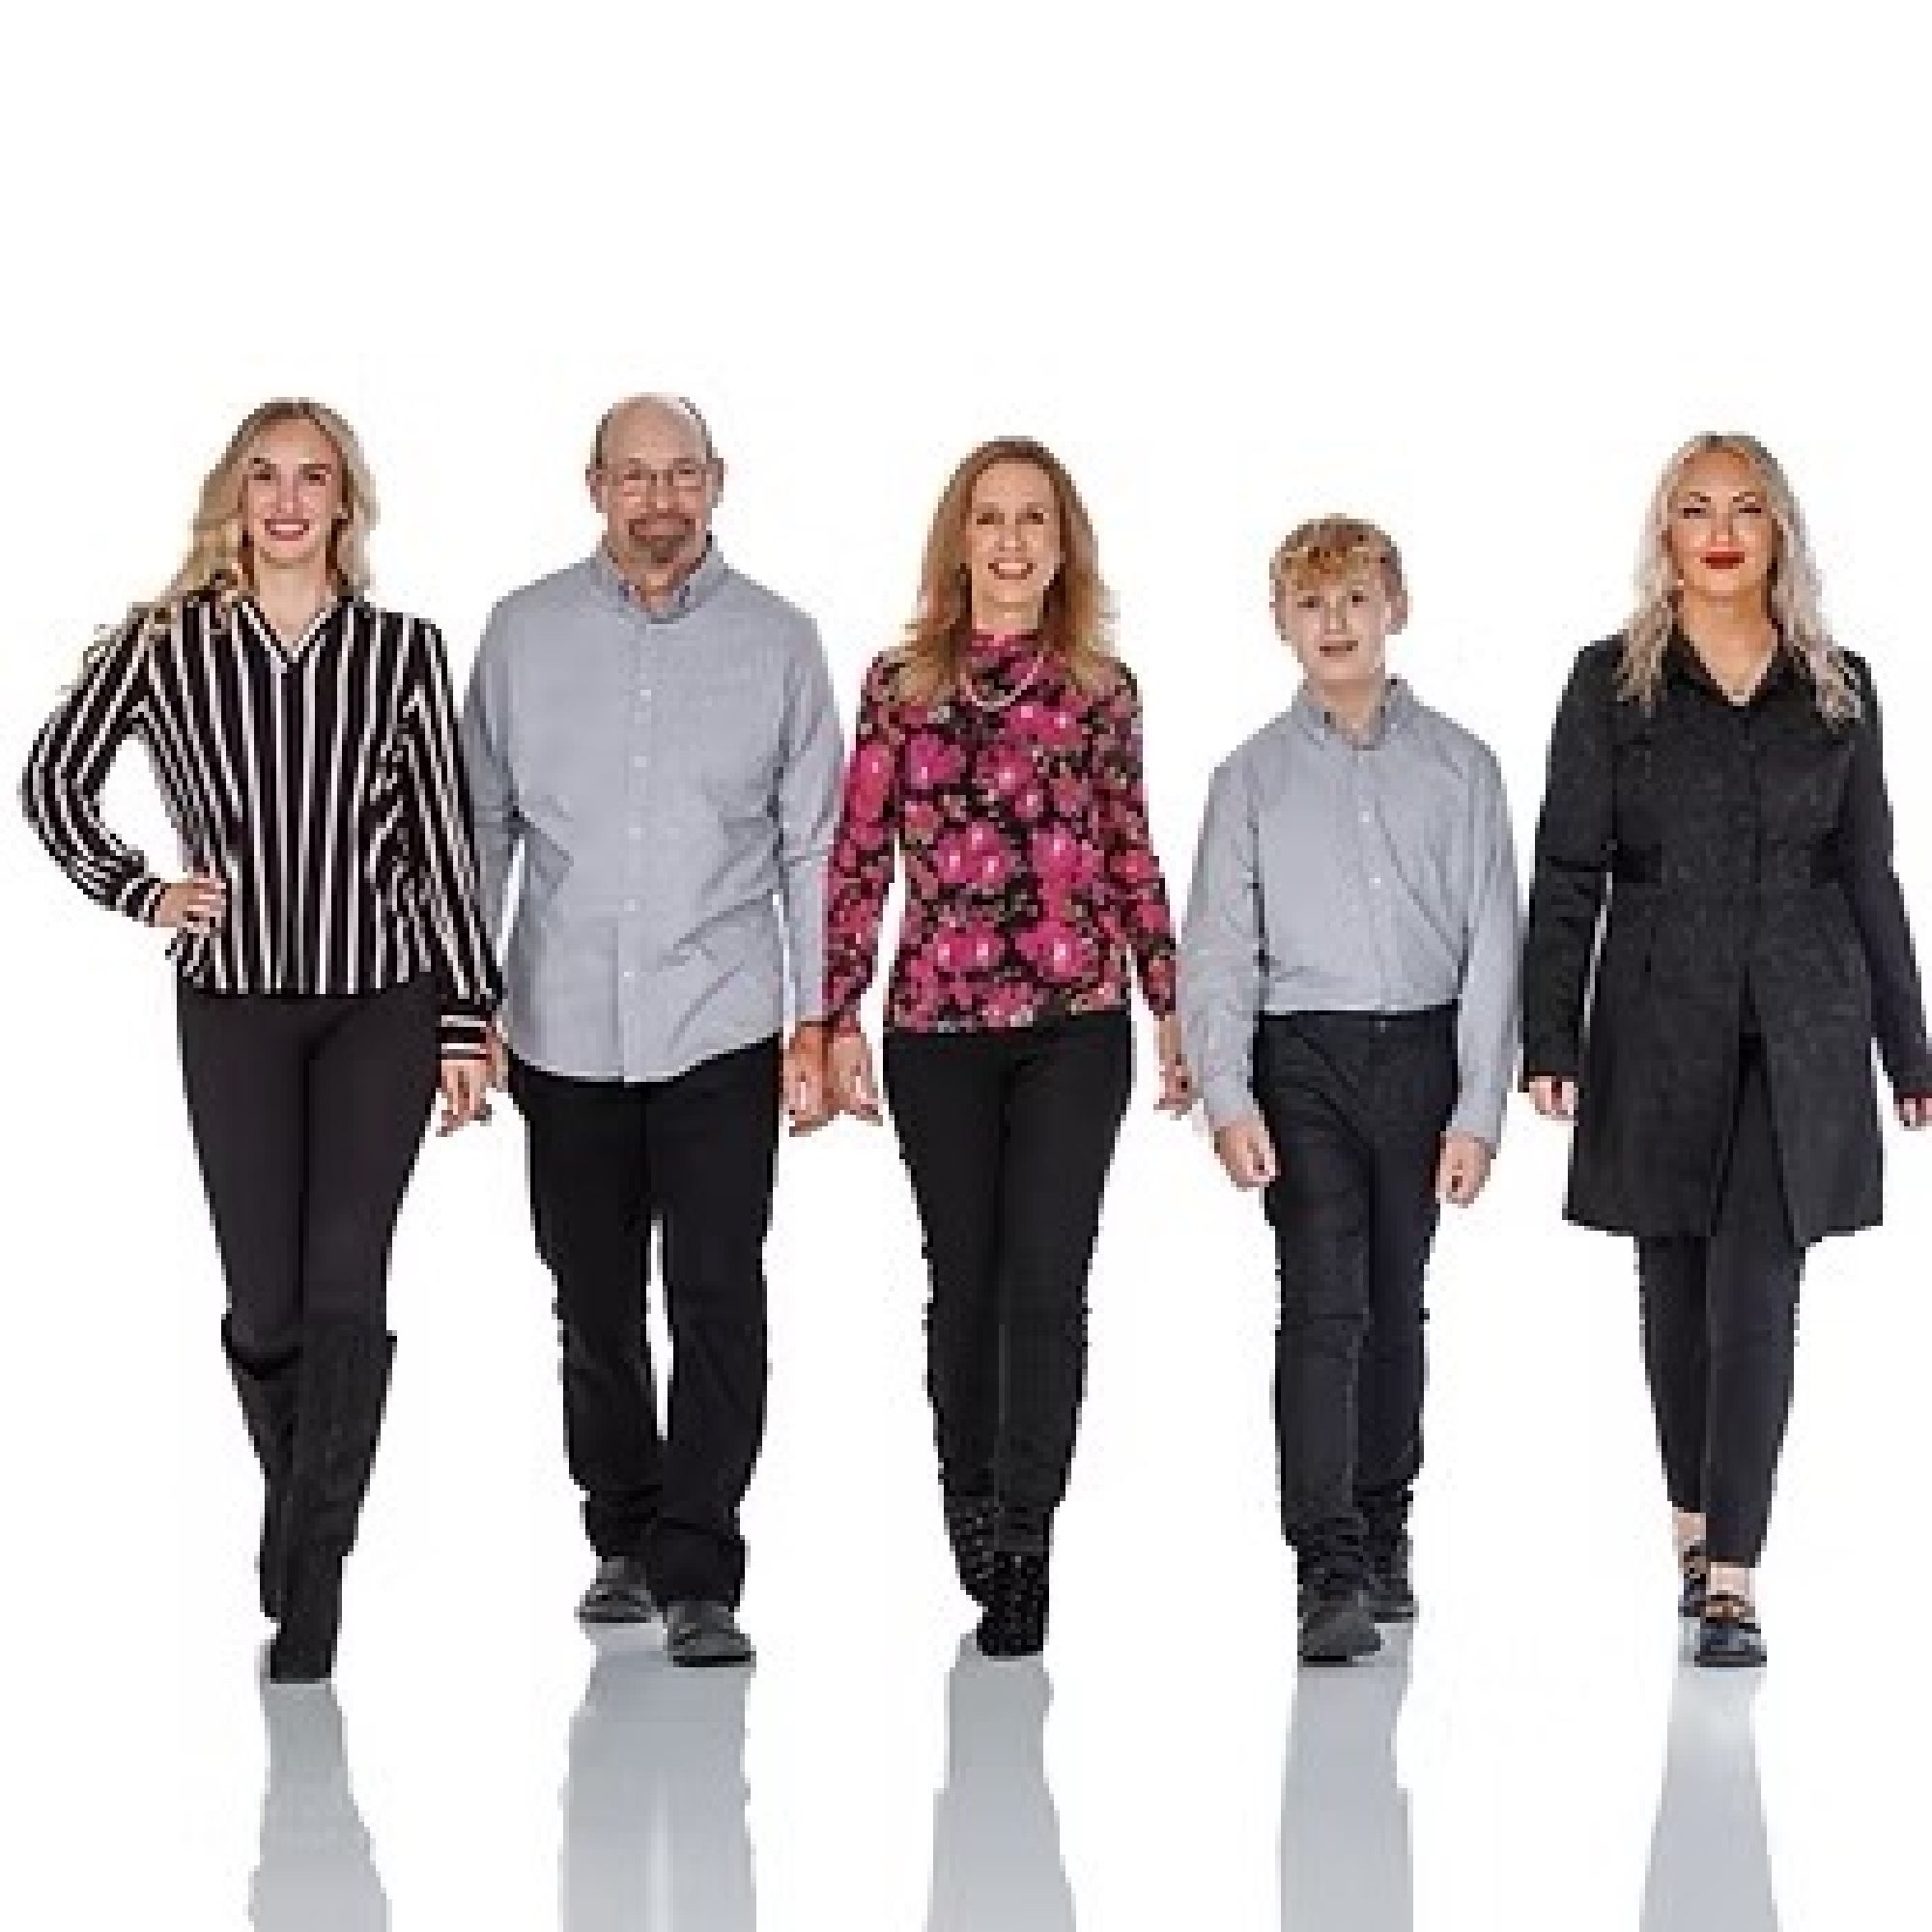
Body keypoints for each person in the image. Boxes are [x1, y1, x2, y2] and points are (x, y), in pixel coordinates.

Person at [20, 398, 499, 1683]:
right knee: (266, 1303)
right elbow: (52, 781)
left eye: (314, 479)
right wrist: (143, 890)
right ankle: (297, 1516)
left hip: (381, 997)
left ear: (348, 504)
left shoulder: (402, 649)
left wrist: (467, 1016)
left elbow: (445, 841)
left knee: (350, 1282)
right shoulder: (164, 644)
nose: (289, 500)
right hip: (230, 1001)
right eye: (265, 477)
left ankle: (316, 1575)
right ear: (233, 497)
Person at [1521, 432, 1932, 1667]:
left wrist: (1906, 1047)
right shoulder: (1610, 683)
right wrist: (1551, 1033)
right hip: (1653, 1017)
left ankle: (1734, 1576)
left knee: (1758, 1285)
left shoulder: (1836, 684)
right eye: (1695, 507)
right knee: (1675, 1295)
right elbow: (1565, 868)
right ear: (1664, 533)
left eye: (1745, 509)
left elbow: (1868, 870)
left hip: (1800, 1019)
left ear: (1777, 533)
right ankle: (1693, 1525)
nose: (1720, 529)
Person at [462, 394, 842, 1667]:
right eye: (635, 477)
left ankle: (701, 1567)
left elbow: (812, 847)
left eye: (681, 474)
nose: (660, 499)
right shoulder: (521, 635)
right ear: (594, 487)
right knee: (593, 1296)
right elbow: (481, 832)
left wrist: (814, 1017)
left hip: (721, 1021)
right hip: (563, 1023)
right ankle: (619, 1530)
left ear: (717, 481)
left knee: (719, 1293)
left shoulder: (782, 642)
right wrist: (469, 1008)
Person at [824, 435, 1190, 1660]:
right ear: (959, 538)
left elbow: (1131, 848)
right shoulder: (897, 686)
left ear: (1062, 542)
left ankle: (1028, 1536)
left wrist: (1169, 1000)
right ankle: (967, 1501)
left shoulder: (1101, 688)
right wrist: (830, 1016)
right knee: (962, 1279)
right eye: (990, 518)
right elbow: (856, 860)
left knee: (1046, 1280)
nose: (1012, 540)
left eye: (1034, 518)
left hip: (1073, 1029)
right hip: (935, 1028)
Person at [1179, 515, 1520, 1663]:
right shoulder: (1249, 779)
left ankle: (1384, 1518)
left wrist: (1478, 1107)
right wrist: (1226, 1092)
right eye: (1310, 604)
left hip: (1419, 1054)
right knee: (1320, 1300)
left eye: (1355, 599)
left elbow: (1492, 945)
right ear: (1280, 623)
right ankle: (1322, 1559)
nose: (1334, 622)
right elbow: (1218, 945)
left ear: (1395, 608)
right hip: (1304, 1057)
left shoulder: (1461, 767)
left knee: (1394, 1298)